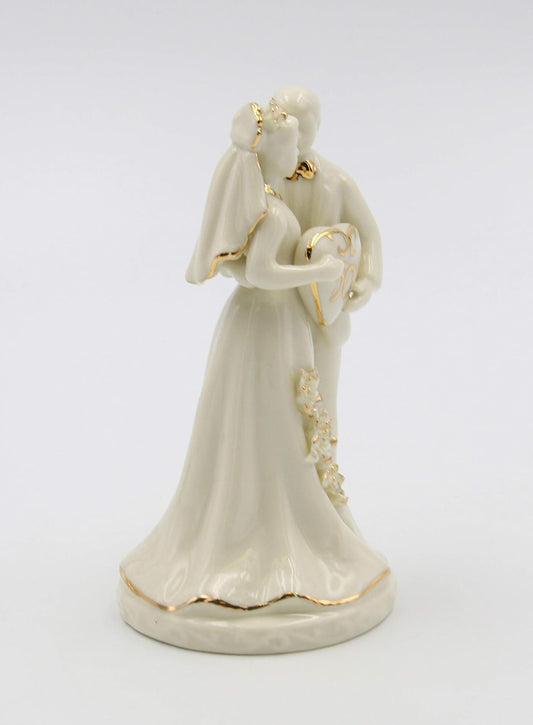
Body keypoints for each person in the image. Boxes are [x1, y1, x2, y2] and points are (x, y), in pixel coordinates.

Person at [118, 99, 394, 654]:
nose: (299, 153)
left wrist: (350, 278)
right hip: (270, 322)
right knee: (270, 421)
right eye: (291, 144)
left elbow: (361, 238)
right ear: (271, 152)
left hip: (274, 323)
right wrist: (317, 270)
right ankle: (261, 536)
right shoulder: (269, 210)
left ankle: (281, 515)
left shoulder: (284, 194)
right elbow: (261, 271)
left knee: (272, 421)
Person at [277, 86, 383, 449]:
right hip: (274, 306)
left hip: (322, 311)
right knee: (275, 396)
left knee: (321, 394)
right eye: (287, 123)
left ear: (317, 126)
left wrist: (367, 279)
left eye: (303, 125)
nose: (295, 133)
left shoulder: (337, 182)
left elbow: (369, 233)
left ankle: (323, 471)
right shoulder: (260, 178)